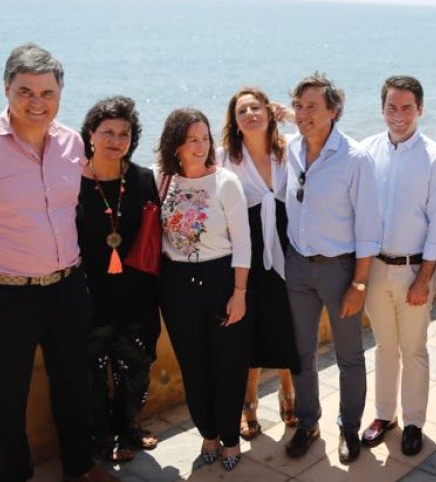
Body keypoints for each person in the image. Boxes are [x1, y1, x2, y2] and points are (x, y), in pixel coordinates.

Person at [0, 43, 113, 482]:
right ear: (7, 88)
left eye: (47, 92)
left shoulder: (71, 144)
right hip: (4, 294)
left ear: (60, 94)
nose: (37, 102)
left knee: (73, 384)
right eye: (25, 90)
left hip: (67, 287)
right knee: (8, 396)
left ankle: (80, 468)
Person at [281, 72, 382, 464]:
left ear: (333, 111)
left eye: (312, 107)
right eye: (299, 106)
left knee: (349, 355)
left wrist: (358, 284)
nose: (303, 114)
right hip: (297, 265)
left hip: (339, 270)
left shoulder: (355, 158)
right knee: (301, 353)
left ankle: (348, 428)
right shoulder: (290, 149)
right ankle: (308, 423)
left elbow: (369, 227)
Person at [358, 76, 436, 457]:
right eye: (391, 107)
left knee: (413, 349)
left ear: (420, 110)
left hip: (415, 271)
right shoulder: (366, 152)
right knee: (384, 347)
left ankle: (414, 421)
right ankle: (385, 416)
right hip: (375, 269)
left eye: (407, 108)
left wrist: (424, 279)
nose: (398, 116)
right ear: (382, 108)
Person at [155, 108, 252, 471]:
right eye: (191, 139)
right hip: (176, 284)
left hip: (221, 280)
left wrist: (239, 292)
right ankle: (208, 434)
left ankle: (230, 438)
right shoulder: (162, 180)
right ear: (175, 144)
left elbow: (243, 244)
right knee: (193, 364)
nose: (200, 146)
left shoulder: (225, 182)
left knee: (228, 364)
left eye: (205, 138)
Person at [77, 96, 161, 464]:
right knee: (91, 375)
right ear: (90, 135)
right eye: (107, 132)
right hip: (86, 297)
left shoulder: (142, 179)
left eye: (124, 133)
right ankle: (101, 436)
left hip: (136, 296)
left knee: (136, 370)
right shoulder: (70, 182)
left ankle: (129, 427)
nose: (115, 140)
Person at [218, 88, 301, 441]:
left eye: (256, 107)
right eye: (242, 111)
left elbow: (327, 137)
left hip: (288, 250)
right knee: (247, 328)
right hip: (246, 255)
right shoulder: (225, 158)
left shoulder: (290, 149)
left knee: (286, 324)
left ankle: (288, 390)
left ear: (270, 113)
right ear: (234, 123)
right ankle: (248, 402)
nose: (250, 114)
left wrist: (295, 117)